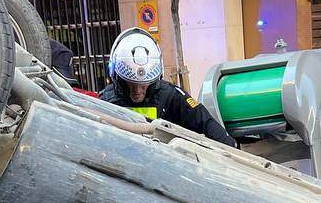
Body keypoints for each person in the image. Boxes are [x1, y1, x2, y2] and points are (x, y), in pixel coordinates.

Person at [99, 28, 236, 147]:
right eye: (132, 84)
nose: (137, 91)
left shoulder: (171, 96)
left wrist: (230, 151)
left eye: (144, 85)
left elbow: (205, 122)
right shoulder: (105, 100)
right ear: (119, 80)